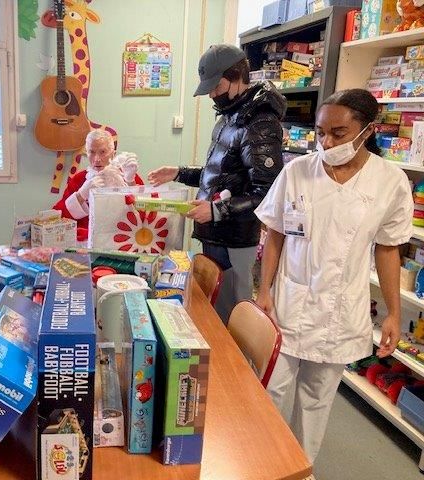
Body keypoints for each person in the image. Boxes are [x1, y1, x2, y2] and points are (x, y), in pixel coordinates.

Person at [254, 89, 412, 461]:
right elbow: (275, 234)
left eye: (338, 133)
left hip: (341, 310)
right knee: (269, 390)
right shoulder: (298, 171)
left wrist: (394, 312)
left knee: (316, 401)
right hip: (289, 301)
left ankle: (300, 467)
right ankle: (262, 464)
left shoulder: (389, 181)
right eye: (321, 132)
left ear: (368, 130)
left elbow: (388, 249)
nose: (326, 143)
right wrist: (264, 289)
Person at [148, 44, 286, 322]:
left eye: (216, 86)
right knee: (213, 313)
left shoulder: (259, 124)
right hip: (215, 235)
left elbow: (269, 194)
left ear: (237, 76)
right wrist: (178, 173)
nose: (212, 94)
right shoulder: (231, 116)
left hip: (235, 240)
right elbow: (222, 175)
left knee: (231, 318)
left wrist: (216, 210)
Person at [52, 129, 144, 241]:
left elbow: (146, 215)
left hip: (124, 239)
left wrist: (131, 182)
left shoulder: (127, 175)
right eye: (92, 152)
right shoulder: (79, 179)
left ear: (113, 153)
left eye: (102, 152)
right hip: (87, 241)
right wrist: (81, 195)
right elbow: (59, 217)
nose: (97, 159)